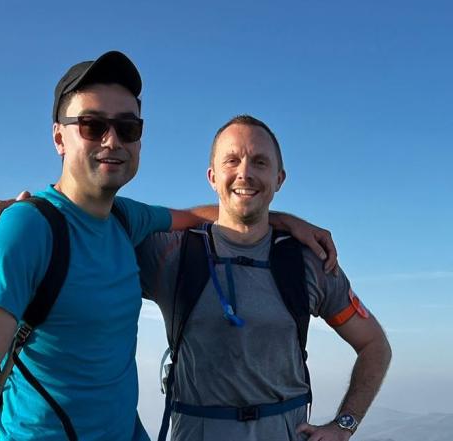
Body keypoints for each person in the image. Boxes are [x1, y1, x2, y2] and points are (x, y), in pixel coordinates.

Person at [0, 52, 336, 441]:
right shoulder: (26, 229)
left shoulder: (126, 219)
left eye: (128, 128)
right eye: (92, 126)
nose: (113, 140)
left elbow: (198, 216)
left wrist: (279, 220)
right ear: (59, 137)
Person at [136, 115, 392, 441]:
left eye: (259, 162)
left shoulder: (308, 261)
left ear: (279, 178)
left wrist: (344, 425)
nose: (245, 172)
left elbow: (374, 345)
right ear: (212, 177)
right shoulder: (171, 252)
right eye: (232, 160)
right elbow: (100, 224)